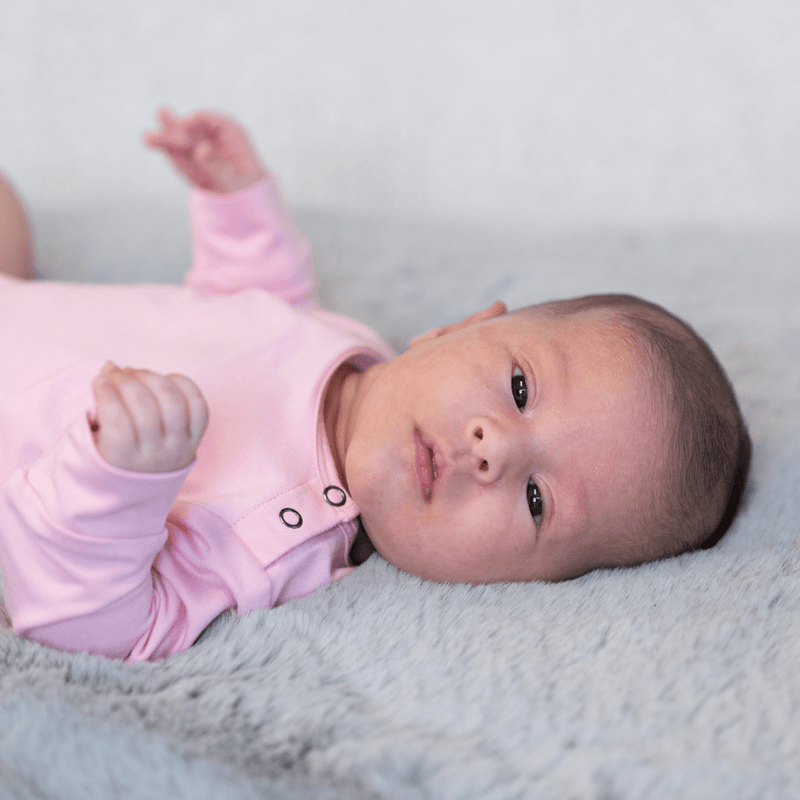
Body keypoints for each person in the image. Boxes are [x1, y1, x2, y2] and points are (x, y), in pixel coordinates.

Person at [0, 109, 750, 661]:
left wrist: (116, 482)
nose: (494, 449)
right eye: (520, 389)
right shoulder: (353, 350)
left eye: (535, 500)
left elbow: (96, 626)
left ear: (528, 583)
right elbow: (250, 314)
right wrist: (240, 211)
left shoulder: (278, 542)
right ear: (457, 329)